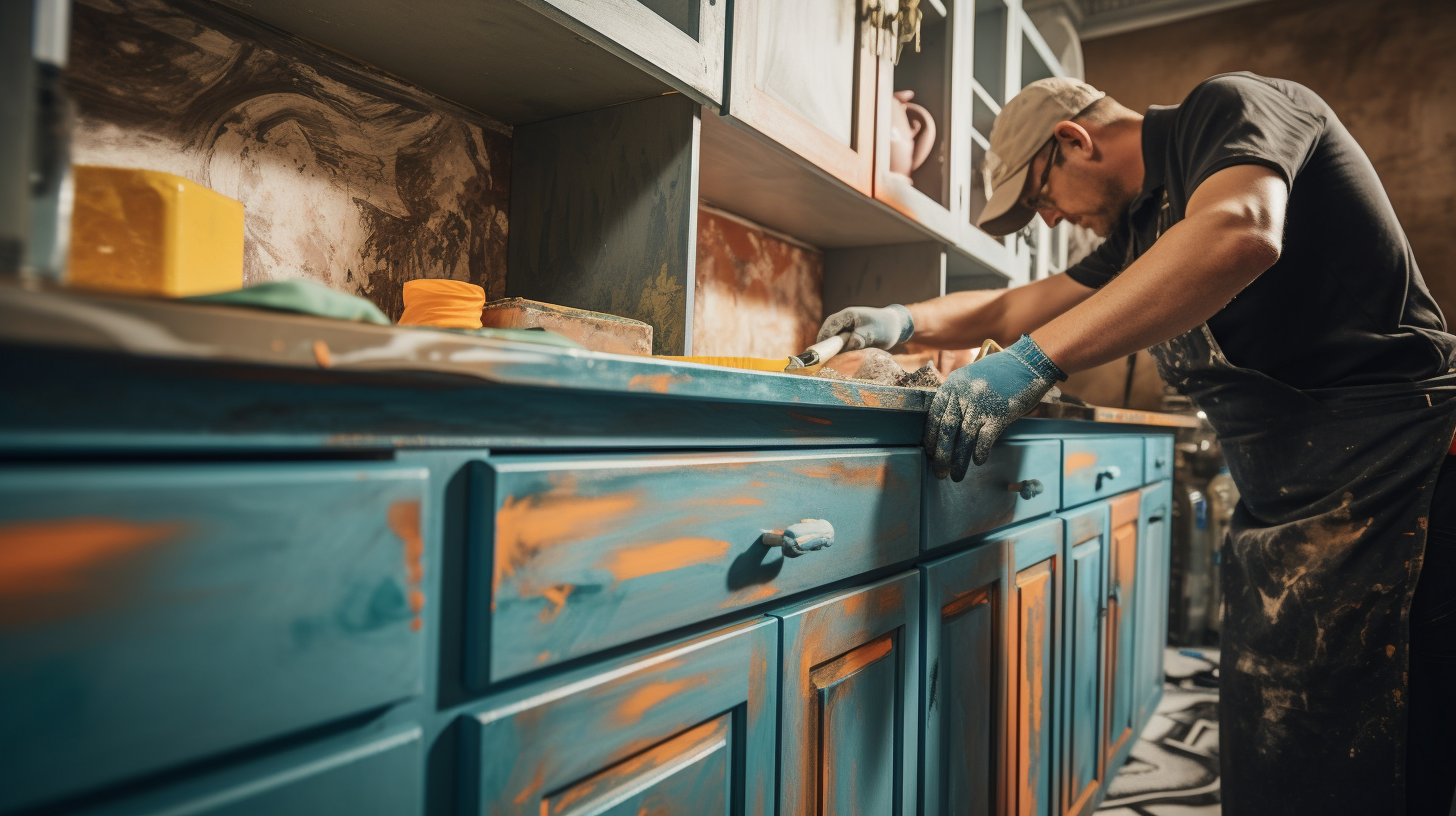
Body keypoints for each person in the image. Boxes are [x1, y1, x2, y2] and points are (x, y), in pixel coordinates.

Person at [819, 73, 1456, 815]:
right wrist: (900, 320)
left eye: (1038, 198)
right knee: (1277, 754)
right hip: (1288, 499)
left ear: (1072, 141)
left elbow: (1241, 230)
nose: (1049, 217)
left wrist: (1033, 360)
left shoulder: (1229, 111)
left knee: (1377, 762)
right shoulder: (1140, 228)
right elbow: (1013, 302)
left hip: (1399, 476)